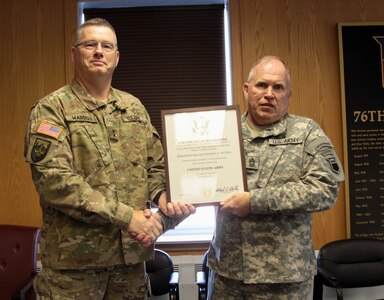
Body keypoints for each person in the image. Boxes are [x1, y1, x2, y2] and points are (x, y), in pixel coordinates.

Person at [24, 18, 195, 299]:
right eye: (90, 44)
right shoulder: (51, 110)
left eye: (107, 46)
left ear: (116, 57)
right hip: (74, 270)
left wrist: (163, 194)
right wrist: (128, 218)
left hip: (129, 266)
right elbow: (56, 182)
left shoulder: (133, 108)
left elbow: (155, 166)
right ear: (74, 54)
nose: (99, 51)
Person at [206, 56, 344, 299]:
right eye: (261, 85)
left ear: (288, 94)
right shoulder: (222, 134)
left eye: (278, 87)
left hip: (286, 280)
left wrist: (255, 201)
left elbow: (326, 190)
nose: (269, 94)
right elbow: (198, 182)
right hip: (229, 275)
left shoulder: (307, 133)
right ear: (247, 89)